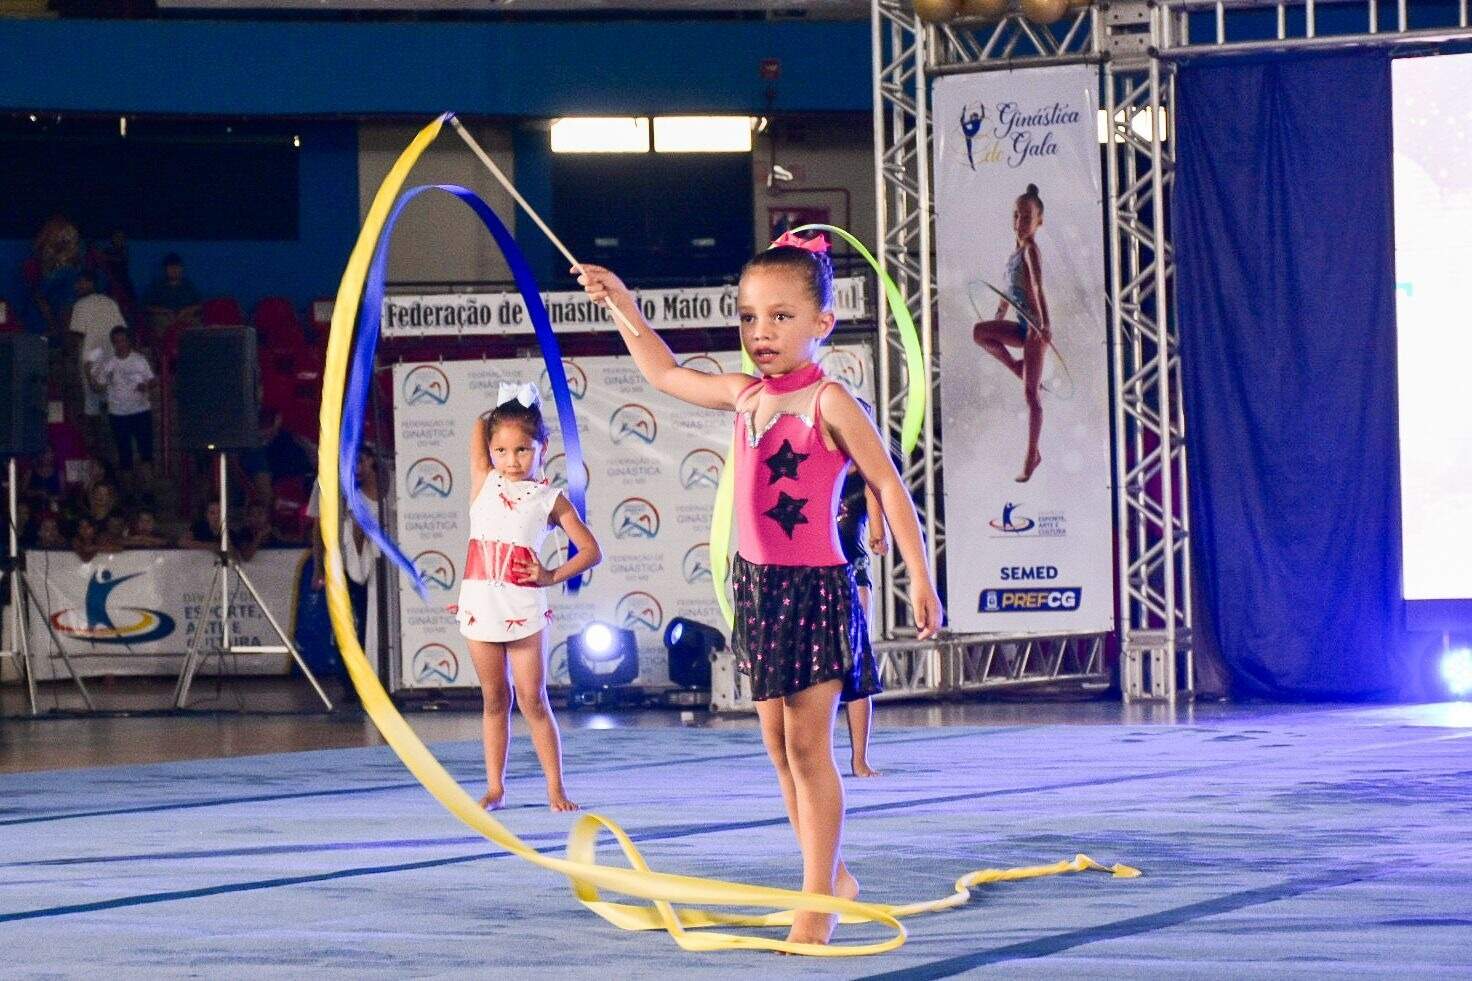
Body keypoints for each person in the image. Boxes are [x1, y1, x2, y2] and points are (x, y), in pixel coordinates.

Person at [577, 237, 942, 946]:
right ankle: (829, 872)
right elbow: (663, 372)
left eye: (779, 317)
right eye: (748, 318)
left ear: (822, 323)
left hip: (813, 589)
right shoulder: (746, 393)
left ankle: (819, 898)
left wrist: (918, 575)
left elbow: (888, 483)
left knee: (809, 745)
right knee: (777, 742)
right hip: (757, 586)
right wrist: (622, 303)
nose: (761, 333)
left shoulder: (830, 400)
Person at [453, 385, 601, 813]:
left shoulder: (549, 499)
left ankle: (555, 788)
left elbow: (591, 551)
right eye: (501, 450)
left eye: (522, 449)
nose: (511, 460)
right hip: (480, 603)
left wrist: (551, 575)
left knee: (534, 700)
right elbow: (479, 426)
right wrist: (512, 404)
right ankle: (495, 787)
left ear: (543, 448)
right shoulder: (484, 480)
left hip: (522, 608)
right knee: (494, 698)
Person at [971, 184, 1053, 483]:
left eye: (1027, 216)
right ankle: (1016, 366)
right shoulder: (1014, 254)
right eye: (1017, 215)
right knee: (981, 333)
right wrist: (998, 317)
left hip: (1033, 331)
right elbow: (1007, 292)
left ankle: (1033, 455)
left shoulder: (1031, 250)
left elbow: (1036, 288)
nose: (1020, 221)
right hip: (1020, 326)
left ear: (1038, 221)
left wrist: (1044, 324)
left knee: (1031, 395)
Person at [833, 397, 890, 779]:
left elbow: (878, 512)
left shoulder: (868, 472)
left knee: (855, 663)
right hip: (811, 574)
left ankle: (859, 758)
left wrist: (879, 534)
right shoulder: (816, 466)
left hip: (852, 573)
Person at [89, 326, 157, 493]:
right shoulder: (110, 363)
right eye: (117, 342)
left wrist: (145, 385)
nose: (120, 345)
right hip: (118, 414)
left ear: (129, 341)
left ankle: (147, 493)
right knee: (124, 456)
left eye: (123, 340)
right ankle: (128, 494)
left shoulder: (139, 360)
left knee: (145, 455)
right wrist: (89, 373)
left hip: (141, 412)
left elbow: (153, 380)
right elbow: (99, 387)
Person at [68, 270, 127, 456]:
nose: (77, 287)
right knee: (113, 403)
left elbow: (77, 334)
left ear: (89, 283)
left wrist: (70, 355)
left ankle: (96, 449)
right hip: (112, 357)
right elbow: (121, 330)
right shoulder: (110, 302)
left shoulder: (80, 304)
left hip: (91, 358)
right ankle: (116, 445)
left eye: (80, 282)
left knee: (92, 405)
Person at [141, 252, 201, 329]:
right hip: (164, 318)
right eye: (171, 267)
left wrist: (186, 310)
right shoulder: (157, 286)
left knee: (196, 323)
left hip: (185, 317)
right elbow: (146, 306)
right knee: (160, 321)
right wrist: (165, 311)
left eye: (177, 267)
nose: (174, 270)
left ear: (182, 269)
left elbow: (199, 305)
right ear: (165, 269)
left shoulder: (188, 286)